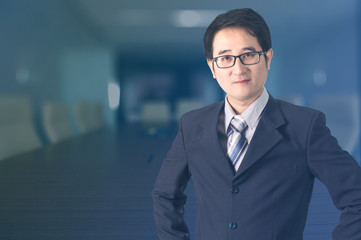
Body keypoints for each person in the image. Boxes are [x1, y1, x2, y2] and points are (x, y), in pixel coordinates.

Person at [152, 8, 361, 240]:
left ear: (268, 58)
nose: (238, 69)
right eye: (225, 58)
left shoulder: (305, 126)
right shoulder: (191, 125)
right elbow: (165, 195)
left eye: (248, 54)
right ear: (212, 67)